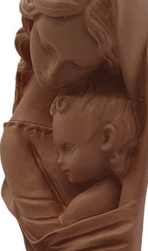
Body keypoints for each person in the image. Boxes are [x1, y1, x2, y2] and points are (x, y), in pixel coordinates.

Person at [0, 0, 148, 251]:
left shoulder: (109, 113)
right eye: (47, 47)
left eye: (76, 64)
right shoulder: (19, 142)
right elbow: (58, 250)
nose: (52, 73)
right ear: (32, 19)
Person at [50, 84, 139, 226]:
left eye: (68, 148)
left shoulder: (107, 193)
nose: (59, 160)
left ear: (107, 138)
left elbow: (66, 221)